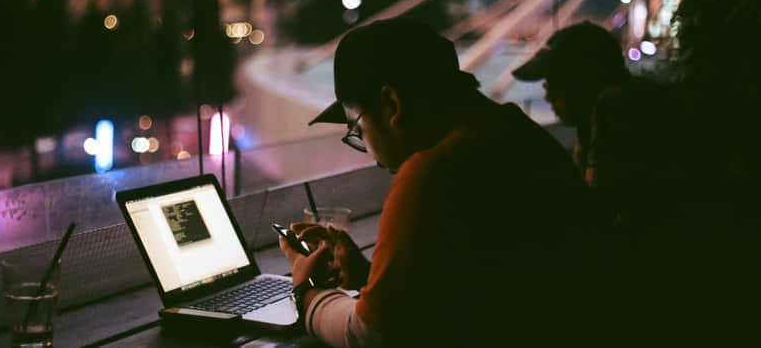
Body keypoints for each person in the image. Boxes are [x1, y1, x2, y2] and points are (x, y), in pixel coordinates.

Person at [279, 18, 597, 347]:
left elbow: (370, 336)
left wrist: (308, 293)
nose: (372, 156)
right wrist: (374, 279)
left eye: (358, 130)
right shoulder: (518, 134)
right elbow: (468, 289)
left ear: (393, 105)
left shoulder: (434, 172)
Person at [511, 21, 684, 225]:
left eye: (553, 84)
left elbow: (597, 215)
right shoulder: (611, 113)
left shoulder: (617, 110)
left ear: (583, 79)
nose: (548, 97)